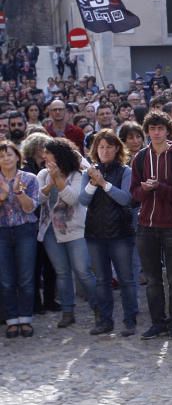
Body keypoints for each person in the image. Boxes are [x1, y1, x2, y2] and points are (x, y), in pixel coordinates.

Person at [130, 111, 172, 340]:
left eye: (160, 128)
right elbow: (133, 194)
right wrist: (144, 190)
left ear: (167, 130)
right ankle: (158, 322)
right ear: (147, 131)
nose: (156, 133)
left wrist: (159, 188)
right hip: (146, 225)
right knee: (153, 280)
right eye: (152, 129)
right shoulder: (140, 158)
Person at [79, 130, 137, 336]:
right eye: (101, 147)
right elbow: (83, 201)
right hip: (95, 234)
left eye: (109, 147)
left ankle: (130, 320)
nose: (105, 150)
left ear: (117, 149)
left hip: (120, 233)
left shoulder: (125, 171)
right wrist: (93, 184)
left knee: (126, 279)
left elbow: (125, 198)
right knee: (102, 280)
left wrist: (103, 183)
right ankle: (105, 320)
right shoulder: (89, 173)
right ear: (96, 150)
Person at [38, 138, 98, 330]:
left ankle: (99, 307)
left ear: (58, 155)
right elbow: (38, 199)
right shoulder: (42, 174)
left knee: (83, 271)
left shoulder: (78, 174)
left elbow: (73, 199)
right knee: (62, 273)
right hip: (50, 230)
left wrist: (59, 181)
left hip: (75, 229)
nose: (43, 156)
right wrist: (49, 184)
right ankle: (67, 311)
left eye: (47, 153)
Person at [0, 140, 40, 338]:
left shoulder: (29, 178)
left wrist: (17, 193)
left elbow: (30, 207)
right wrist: (2, 196)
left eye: (9, 154)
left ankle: (25, 318)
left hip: (25, 229)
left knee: (25, 277)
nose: (6, 158)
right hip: (2, 232)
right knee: (6, 279)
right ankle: (11, 320)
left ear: (17, 156)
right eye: (1, 155)